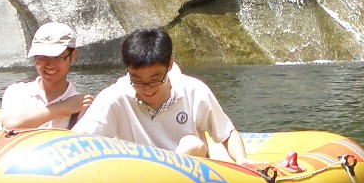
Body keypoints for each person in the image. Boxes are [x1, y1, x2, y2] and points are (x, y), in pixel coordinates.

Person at [75, 27, 247, 162]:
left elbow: (227, 133)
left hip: (190, 176)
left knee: (192, 144)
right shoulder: (115, 96)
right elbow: (80, 139)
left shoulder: (194, 90)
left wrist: (242, 160)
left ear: (169, 66)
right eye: (137, 81)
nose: (147, 89)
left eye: (155, 80)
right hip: (141, 177)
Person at [0, 22, 94, 130]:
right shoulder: (17, 92)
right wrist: (62, 107)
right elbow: (10, 124)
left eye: (57, 57)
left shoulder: (82, 104)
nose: (49, 64)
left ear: (72, 56)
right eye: (42, 57)